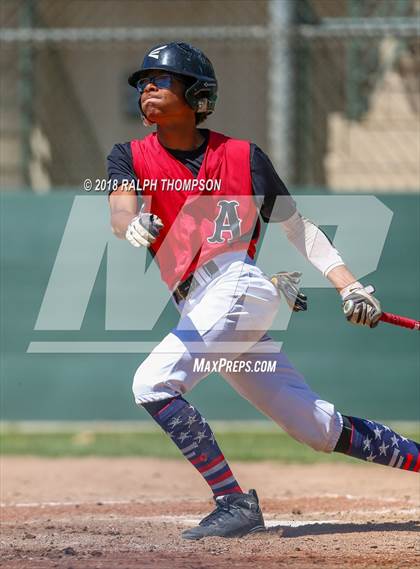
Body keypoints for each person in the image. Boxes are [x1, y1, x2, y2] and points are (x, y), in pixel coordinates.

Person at [107, 42, 419, 540]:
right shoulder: (129, 155)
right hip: (204, 306)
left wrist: (351, 286)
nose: (147, 86)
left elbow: (299, 228)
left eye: (161, 79)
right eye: (144, 80)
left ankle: (233, 502)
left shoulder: (243, 156)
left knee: (152, 383)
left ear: (196, 94)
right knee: (318, 429)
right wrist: (130, 222)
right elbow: (121, 208)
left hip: (237, 287)